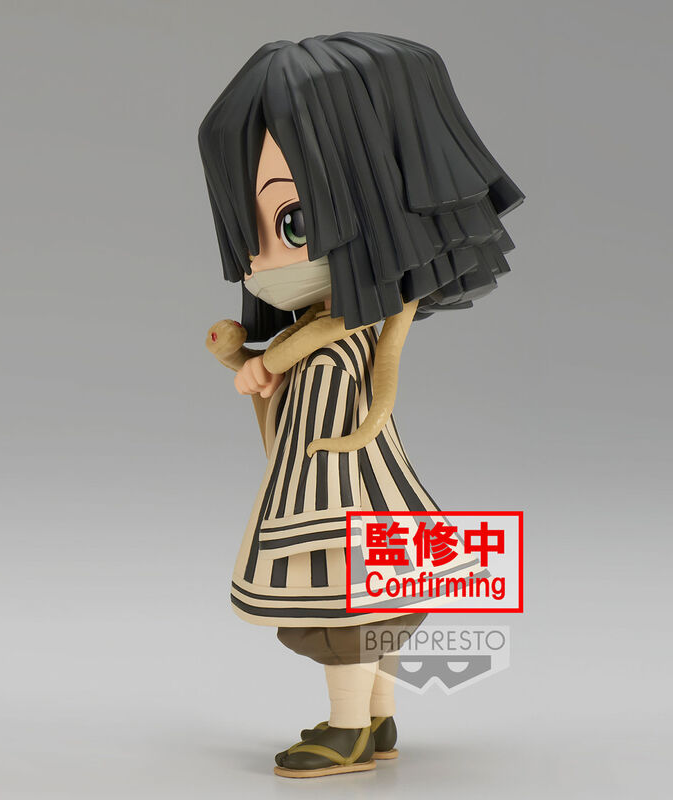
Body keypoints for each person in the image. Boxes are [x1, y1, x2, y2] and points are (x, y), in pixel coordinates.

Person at [198, 31, 523, 778]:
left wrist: (263, 363)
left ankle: (349, 729)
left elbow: (303, 393)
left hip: (337, 497)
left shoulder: (335, 338)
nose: (262, 263)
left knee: (342, 608)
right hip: (358, 490)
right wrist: (247, 362)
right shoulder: (327, 336)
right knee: (373, 602)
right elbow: (284, 402)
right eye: (251, 233)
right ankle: (377, 717)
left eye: (293, 224)